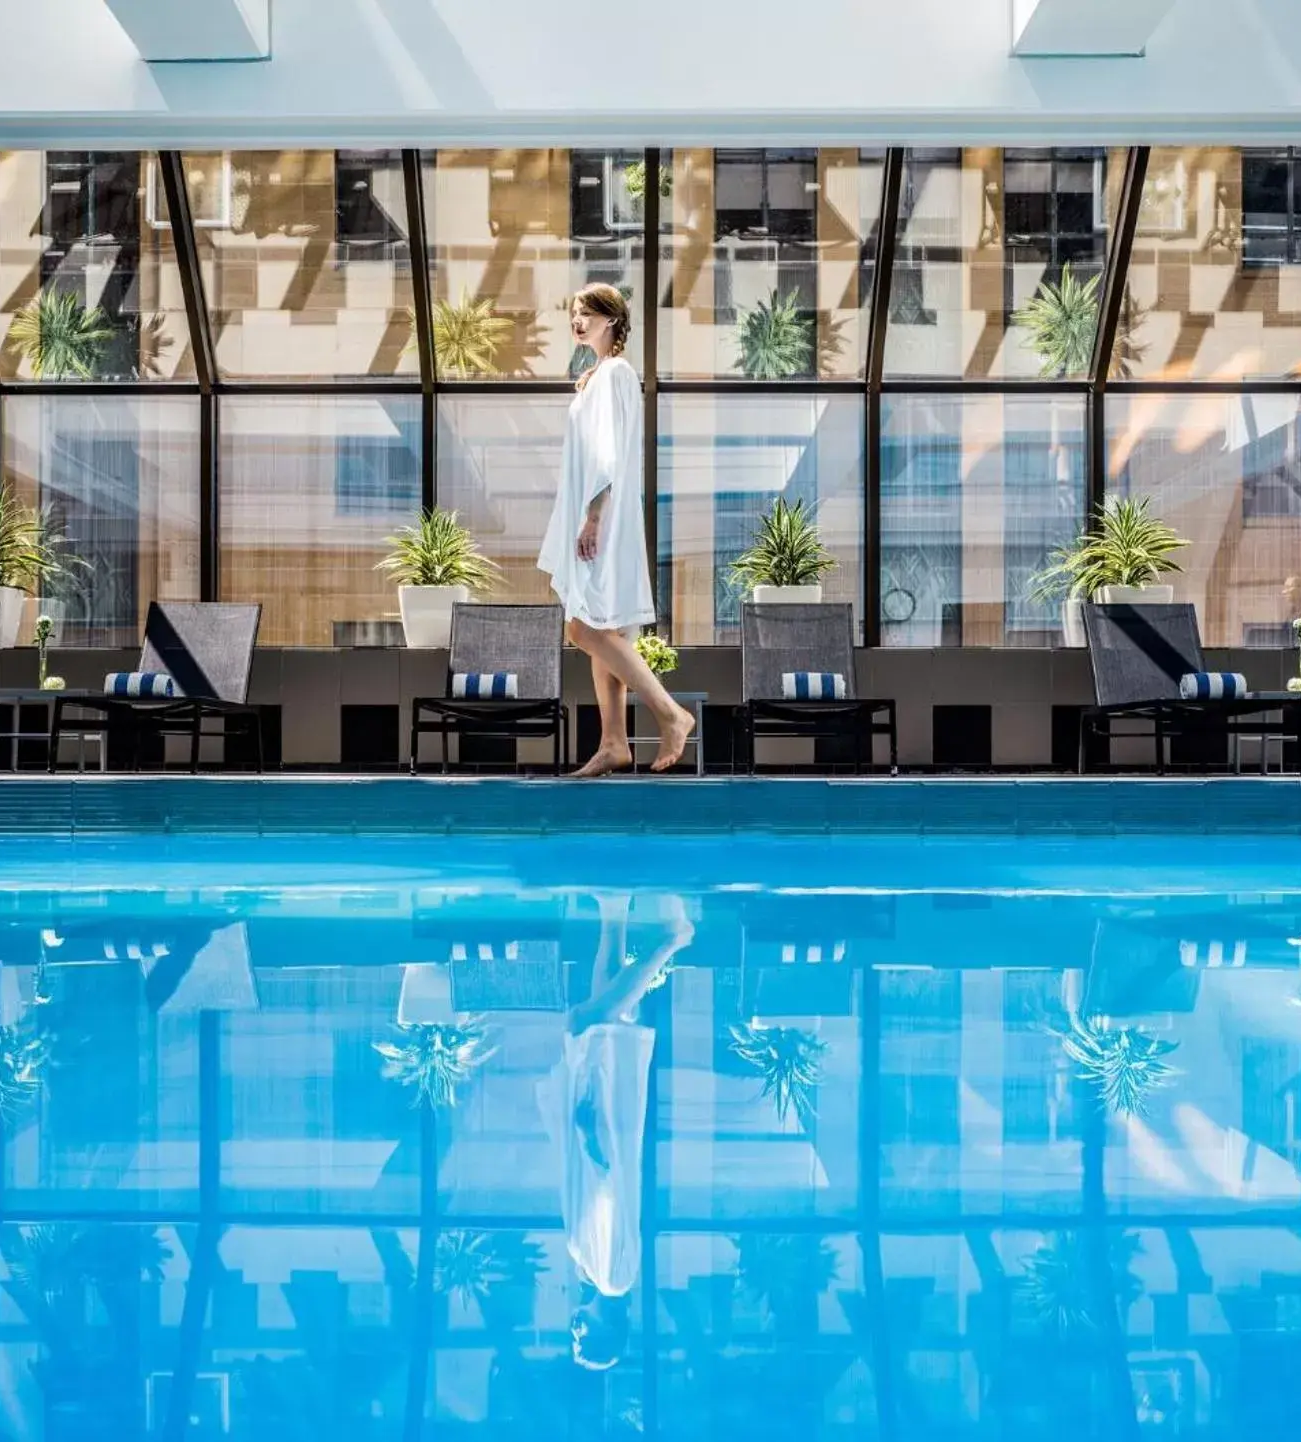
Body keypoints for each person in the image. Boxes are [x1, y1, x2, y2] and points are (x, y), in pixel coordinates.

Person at [538, 283, 695, 777]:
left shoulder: (613, 373)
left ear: (611, 319)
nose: (578, 321)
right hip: (601, 514)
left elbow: (609, 453)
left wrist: (593, 515)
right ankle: (613, 742)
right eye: (574, 313)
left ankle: (671, 715)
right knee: (602, 626)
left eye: (588, 313)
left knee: (583, 626)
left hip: (601, 516)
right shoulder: (601, 375)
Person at [538, 891, 694, 1370]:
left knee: (600, 1024)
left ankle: (614, 911)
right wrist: (588, 1137)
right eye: (582, 1341)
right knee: (587, 1022)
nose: (574, 1332)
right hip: (602, 1137)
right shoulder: (611, 1277)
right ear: (605, 1329)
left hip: (603, 1140)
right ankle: (672, 942)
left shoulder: (601, 1276)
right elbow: (607, 1199)